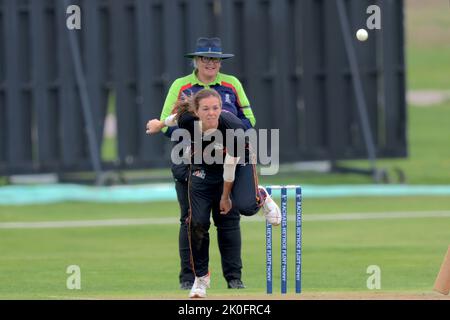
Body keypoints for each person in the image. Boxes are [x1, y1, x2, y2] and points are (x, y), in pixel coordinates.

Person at [146, 88, 281, 298]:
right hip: (203, 168)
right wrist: (159, 124)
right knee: (197, 223)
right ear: (196, 111)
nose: (211, 113)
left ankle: (260, 195)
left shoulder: (233, 127)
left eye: (216, 108)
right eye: (206, 109)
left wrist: (225, 197)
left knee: (245, 207)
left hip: (238, 163)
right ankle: (200, 280)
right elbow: (173, 118)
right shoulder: (187, 119)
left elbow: (229, 167)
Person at [157, 37, 256, 290]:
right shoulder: (182, 86)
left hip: (225, 161)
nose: (210, 63)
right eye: (205, 58)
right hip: (189, 162)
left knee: (229, 219)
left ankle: (234, 278)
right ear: (196, 61)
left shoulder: (232, 85)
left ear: (220, 62)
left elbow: (249, 121)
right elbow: (167, 124)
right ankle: (190, 278)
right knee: (192, 220)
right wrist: (200, 137)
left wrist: (223, 131)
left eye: (215, 59)